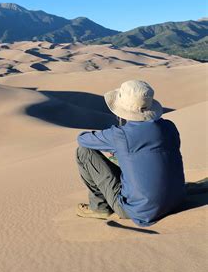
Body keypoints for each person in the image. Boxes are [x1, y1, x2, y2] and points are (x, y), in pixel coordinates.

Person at [75, 80, 186, 227]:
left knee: (83, 152)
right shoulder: (170, 127)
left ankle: (99, 207)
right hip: (177, 200)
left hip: (137, 210)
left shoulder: (120, 135)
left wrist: (114, 142)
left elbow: (82, 140)